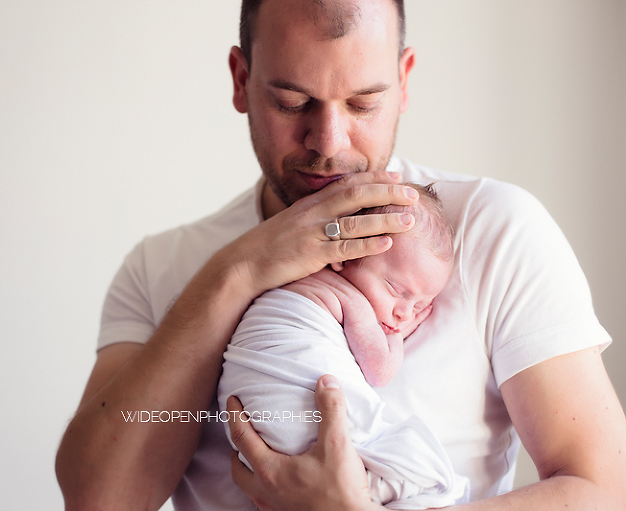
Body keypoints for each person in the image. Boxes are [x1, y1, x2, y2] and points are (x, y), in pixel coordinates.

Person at [55, 0, 626, 510]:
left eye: (363, 102)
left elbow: (605, 488)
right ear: (241, 79)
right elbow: (99, 499)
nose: (329, 143)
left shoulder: (490, 229)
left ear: (403, 83)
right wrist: (239, 272)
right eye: (292, 101)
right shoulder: (161, 270)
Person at [217, 184, 470, 509]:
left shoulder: (292, 283)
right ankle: (372, 490)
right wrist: (397, 335)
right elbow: (380, 369)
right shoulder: (348, 299)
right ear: (343, 257)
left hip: (254, 433)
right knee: (424, 464)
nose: (404, 312)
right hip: (293, 422)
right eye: (396, 289)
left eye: (421, 306)